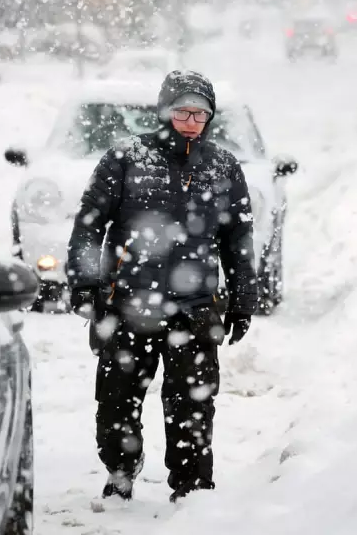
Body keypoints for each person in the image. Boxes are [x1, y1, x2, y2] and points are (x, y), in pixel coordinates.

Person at [66, 70, 257, 503]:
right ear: (165, 110)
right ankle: (120, 470)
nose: (192, 120)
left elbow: (238, 240)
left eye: (201, 113)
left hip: (196, 308)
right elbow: (88, 226)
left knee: (193, 404)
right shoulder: (126, 159)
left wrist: (244, 300)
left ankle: (191, 488)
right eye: (183, 110)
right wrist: (85, 283)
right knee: (116, 401)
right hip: (128, 303)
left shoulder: (223, 167)